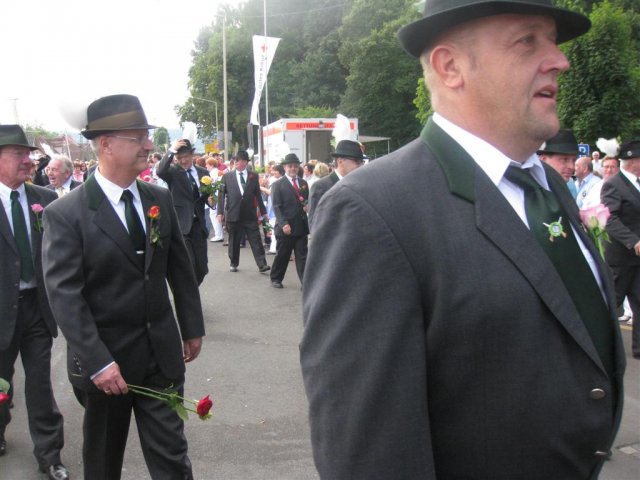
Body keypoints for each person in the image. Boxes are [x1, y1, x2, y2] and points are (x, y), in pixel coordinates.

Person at [300, 2, 625, 479]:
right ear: (450, 66)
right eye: (527, 41)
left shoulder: (549, 187)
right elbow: (368, 454)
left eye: (553, 41)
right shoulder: (372, 209)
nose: (560, 60)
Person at [42, 94, 205, 480]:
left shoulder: (158, 198)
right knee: (103, 461)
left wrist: (191, 326)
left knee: (172, 459)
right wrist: (98, 361)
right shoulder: (66, 214)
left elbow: (179, 269)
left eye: (147, 136)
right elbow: (65, 295)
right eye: (138, 137)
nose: (149, 145)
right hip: (106, 365)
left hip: (160, 357)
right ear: (106, 145)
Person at [0, 125, 68, 480]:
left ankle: (49, 454)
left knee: (40, 383)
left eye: (29, 154)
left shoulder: (46, 198)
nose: (28, 161)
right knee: (1, 383)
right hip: (0, 311)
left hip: (37, 308)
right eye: (18, 154)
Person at [601, 140, 640, 359]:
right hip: (621, 257)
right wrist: (633, 241)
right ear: (633, 161)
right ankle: (598, 346)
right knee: (611, 303)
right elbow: (610, 219)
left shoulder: (637, 183)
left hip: (638, 259)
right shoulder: (614, 184)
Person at [157, 138, 210, 285]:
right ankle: (189, 294)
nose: (183, 160)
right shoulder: (173, 172)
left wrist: (210, 200)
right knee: (189, 265)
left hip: (198, 225)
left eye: (186, 156)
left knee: (202, 267)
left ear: (192, 154)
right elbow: (160, 170)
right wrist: (171, 150)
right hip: (181, 225)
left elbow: (205, 195)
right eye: (179, 157)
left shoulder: (203, 173)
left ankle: (190, 290)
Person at [217, 150, 270, 273]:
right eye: (235, 160)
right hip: (233, 213)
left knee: (256, 239)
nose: (235, 162)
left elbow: (258, 195)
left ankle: (262, 264)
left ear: (245, 162)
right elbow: (221, 195)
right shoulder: (227, 176)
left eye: (238, 160)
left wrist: (263, 212)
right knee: (234, 240)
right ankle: (233, 262)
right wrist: (220, 212)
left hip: (249, 214)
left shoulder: (253, 176)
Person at [270, 154, 309, 288]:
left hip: (301, 226)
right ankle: (276, 278)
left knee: (302, 256)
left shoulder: (303, 183)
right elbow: (276, 206)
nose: (293, 168)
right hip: (286, 227)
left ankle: (306, 282)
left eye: (295, 166)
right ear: (285, 167)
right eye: (290, 166)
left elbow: (306, 201)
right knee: (283, 255)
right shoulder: (278, 184)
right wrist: (283, 224)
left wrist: (307, 207)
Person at [307, 140, 364, 229]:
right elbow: (314, 224)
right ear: (340, 161)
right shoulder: (321, 187)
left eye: (362, 162)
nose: (361, 166)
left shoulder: (358, 185)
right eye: (357, 161)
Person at [537, 128, 579, 197]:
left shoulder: (566, 190)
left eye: (574, 160)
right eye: (564, 159)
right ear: (543, 160)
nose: (571, 167)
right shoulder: (529, 192)